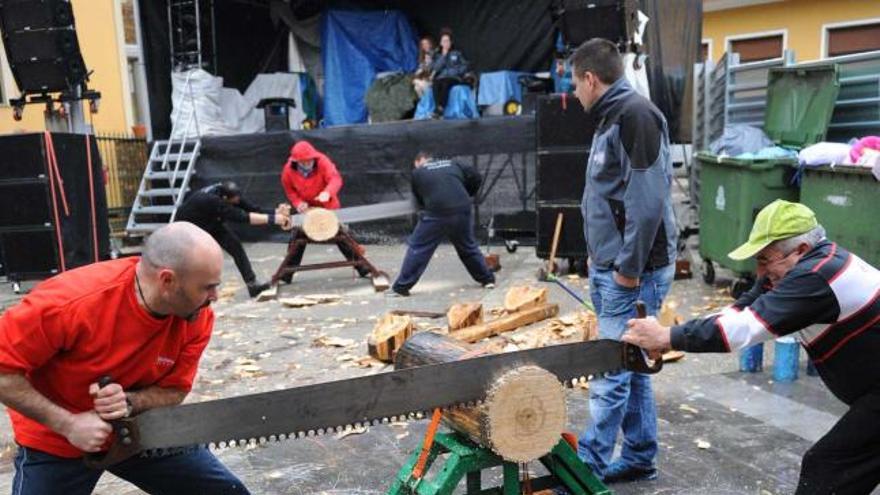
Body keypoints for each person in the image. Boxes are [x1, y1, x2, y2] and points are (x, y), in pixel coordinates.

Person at [623, 200, 880, 495]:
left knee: (828, 467)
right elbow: (740, 312)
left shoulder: (816, 276)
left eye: (765, 260)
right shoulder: (800, 266)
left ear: (802, 250)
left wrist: (667, 336)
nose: (760, 272)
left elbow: (744, 329)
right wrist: (670, 336)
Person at [0, 222, 249, 494]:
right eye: (207, 287)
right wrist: (67, 424)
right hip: (59, 438)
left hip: (140, 429)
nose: (214, 297)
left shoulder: (196, 315)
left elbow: (175, 391)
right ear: (167, 280)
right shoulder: (71, 303)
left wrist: (130, 402)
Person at [570, 38, 678, 482]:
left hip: (633, 273)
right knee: (631, 364)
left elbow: (648, 203)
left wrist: (628, 271)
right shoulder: (612, 117)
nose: (574, 93)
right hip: (613, 267)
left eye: (575, 83)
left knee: (611, 367)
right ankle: (638, 456)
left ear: (591, 79)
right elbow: (611, 194)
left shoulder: (634, 116)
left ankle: (587, 470)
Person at [389, 152, 495, 297]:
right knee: (467, 246)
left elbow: (419, 198)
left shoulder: (418, 172)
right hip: (462, 207)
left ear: (420, 160)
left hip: (436, 212)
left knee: (418, 248)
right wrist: (467, 193)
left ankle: (401, 287)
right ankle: (488, 280)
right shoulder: (454, 163)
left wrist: (426, 208)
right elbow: (476, 177)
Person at [175, 180, 291, 298]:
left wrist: (276, 212)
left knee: (235, 247)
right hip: (188, 226)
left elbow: (252, 208)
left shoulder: (228, 194)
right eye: (235, 199)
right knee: (195, 258)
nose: (238, 201)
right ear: (225, 198)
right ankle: (186, 289)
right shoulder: (213, 201)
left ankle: (252, 285)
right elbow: (243, 217)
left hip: (210, 220)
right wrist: (273, 219)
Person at [279, 140, 368, 279]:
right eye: (304, 162)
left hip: (328, 207)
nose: (308, 164)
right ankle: (287, 273)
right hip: (307, 211)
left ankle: (362, 267)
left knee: (342, 236)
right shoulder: (288, 170)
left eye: (310, 161)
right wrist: (298, 203)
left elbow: (335, 178)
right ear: (297, 162)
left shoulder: (322, 161)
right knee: (297, 238)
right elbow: (290, 191)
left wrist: (327, 192)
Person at [429, 28, 469, 117]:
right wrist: (444, 55)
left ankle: (440, 108)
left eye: (447, 41)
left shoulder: (457, 53)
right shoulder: (437, 55)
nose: (446, 43)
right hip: (441, 77)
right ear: (440, 43)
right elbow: (435, 68)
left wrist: (456, 72)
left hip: (453, 78)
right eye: (444, 41)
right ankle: (438, 108)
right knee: (436, 84)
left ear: (451, 42)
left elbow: (465, 65)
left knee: (446, 83)